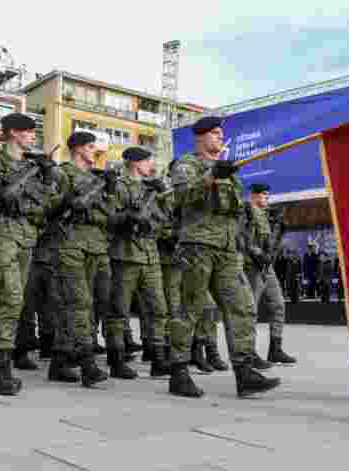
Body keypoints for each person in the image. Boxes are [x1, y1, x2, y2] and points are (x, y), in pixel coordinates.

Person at [166, 116, 280, 398]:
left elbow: (234, 213)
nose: (220, 138)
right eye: (215, 133)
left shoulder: (230, 172)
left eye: (221, 133)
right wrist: (211, 176)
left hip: (228, 249)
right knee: (191, 309)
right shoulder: (187, 165)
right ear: (200, 137)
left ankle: (244, 371)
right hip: (198, 246)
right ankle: (178, 371)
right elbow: (180, 197)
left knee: (241, 307)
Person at [0, 113, 56, 395]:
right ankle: (0, 366)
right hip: (1, 236)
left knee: (12, 302)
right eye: (29, 132)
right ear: (14, 133)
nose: (33, 136)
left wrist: (48, 175)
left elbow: (46, 205)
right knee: (10, 297)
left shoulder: (32, 166)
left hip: (27, 238)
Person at [45, 131, 112, 387]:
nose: (95, 150)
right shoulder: (62, 173)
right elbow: (48, 207)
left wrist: (111, 191)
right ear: (77, 149)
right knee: (79, 303)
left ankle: (59, 362)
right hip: (69, 245)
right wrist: (66, 201)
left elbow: (109, 216)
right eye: (91, 146)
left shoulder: (95, 179)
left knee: (76, 306)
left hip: (94, 246)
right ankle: (87, 363)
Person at [106, 145, 171, 380]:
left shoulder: (150, 189)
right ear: (135, 163)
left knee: (158, 309)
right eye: (147, 162)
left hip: (150, 255)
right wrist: (129, 218)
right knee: (119, 310)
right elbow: (109, 217)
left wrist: (163, 197)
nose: (150, 166)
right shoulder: (119, 186)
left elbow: (164, 221)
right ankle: (116, 359)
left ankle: (158, 358)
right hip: (125, 255)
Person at [240, 183, 296, 364]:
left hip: (266, 267)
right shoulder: (246, 211)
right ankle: (250, 353)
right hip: (252, 265)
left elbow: (271, 245)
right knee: (251, 309)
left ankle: (275, 349)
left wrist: (280, 228)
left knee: (278, 304)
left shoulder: (267, 216)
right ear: (254, 195)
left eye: (267, 195)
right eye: (263, 194)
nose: (267, 198)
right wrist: (259, 255)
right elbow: (244, 238)